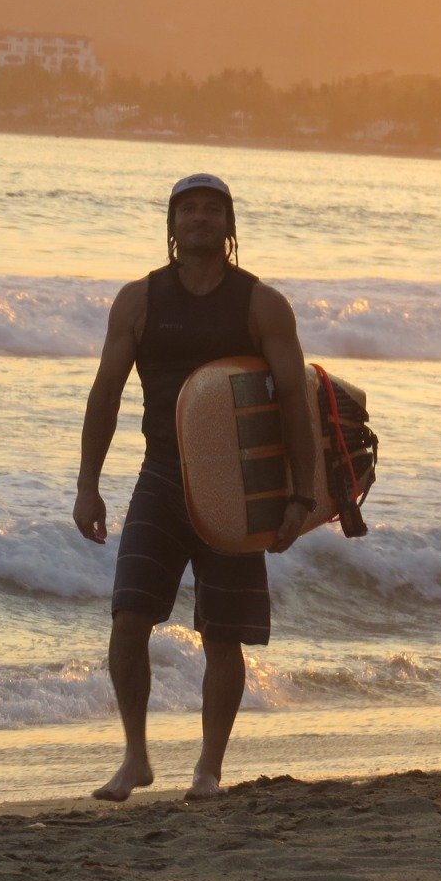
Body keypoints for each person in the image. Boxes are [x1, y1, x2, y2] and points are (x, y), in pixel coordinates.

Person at [72, 173, 316, 802]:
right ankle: (135, 757)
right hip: (160, 475)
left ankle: (208, 768)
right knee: (129, 617)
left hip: (237, 485)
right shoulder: (138, 301)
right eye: (188, 210)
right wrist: (87, 485)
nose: (200, 218)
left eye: (212, 210)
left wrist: (302, 495)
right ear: (172, 223)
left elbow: (295, 399)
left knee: (223, 634)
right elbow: (105, 392)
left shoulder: (262, 304)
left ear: (229, 225)